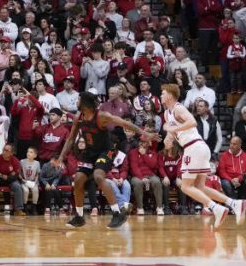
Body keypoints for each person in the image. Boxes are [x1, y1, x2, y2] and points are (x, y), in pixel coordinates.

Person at [53, 91, 158, 229]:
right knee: (78, 180)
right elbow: (71, 139)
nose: (76, 102)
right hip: (90, 152)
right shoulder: (79, 117)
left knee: (98, 176)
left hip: (105, 151)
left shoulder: (101, 116)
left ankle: (117, 213)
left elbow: (124, 123)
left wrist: (145, 133)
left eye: (78, 99)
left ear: (85, 103)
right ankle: (79, 217)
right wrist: (61, 157)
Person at [159, 83, 244, 226]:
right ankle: (234, 204)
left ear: (170, 95)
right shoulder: (167, 113)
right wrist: (167, 141)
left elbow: (192, 122)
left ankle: (216, 208)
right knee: (200, 186)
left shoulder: (179, 108)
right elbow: (172, 133)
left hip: (193, 147)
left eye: (163, 93)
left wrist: (174, 128)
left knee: (185, 187)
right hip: (198, 147)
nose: (161, 95)